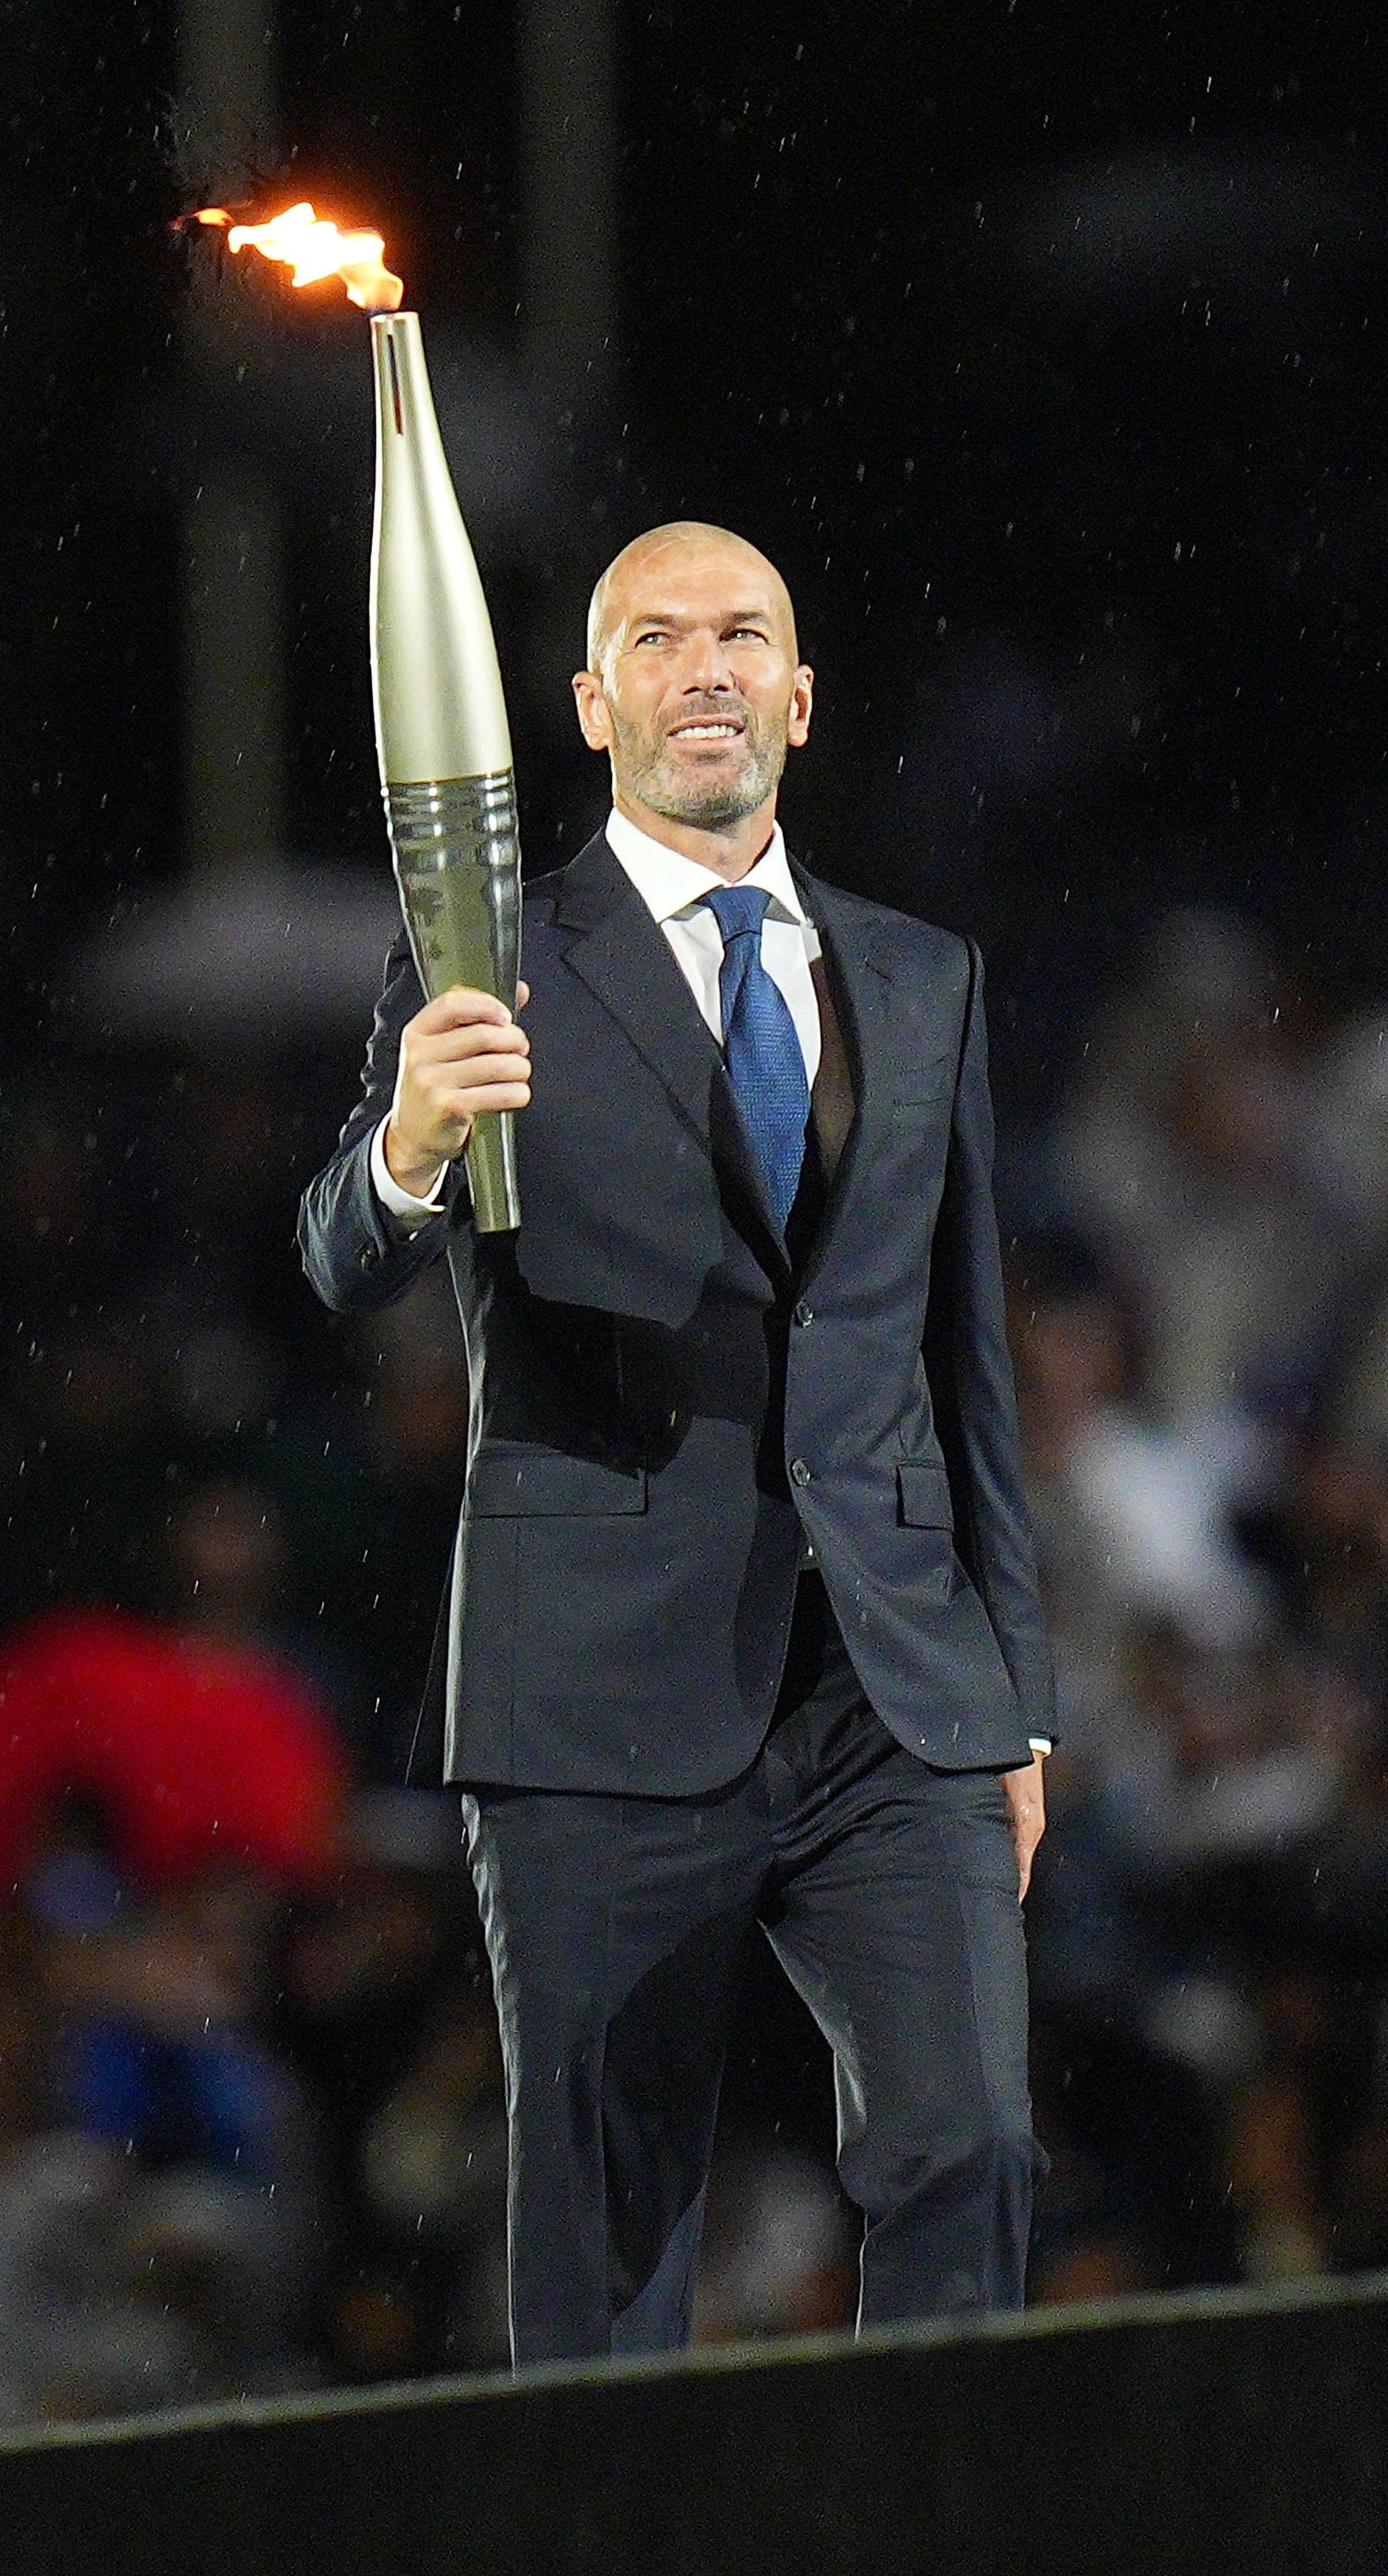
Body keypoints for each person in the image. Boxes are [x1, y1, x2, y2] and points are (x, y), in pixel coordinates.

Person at [297, 521, 1055, 2359]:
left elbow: (967, 1363)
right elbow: (333, 1252)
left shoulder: (921, 974)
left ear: (800, 695)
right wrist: (405, 1144)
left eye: (742, 636)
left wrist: (1015, 1692)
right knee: (612, 2219)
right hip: (601, 1700)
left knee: (969, 2149)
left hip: (892, 1688)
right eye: (656, 637)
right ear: (585, 700)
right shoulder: (486, 957)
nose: (703, 667)